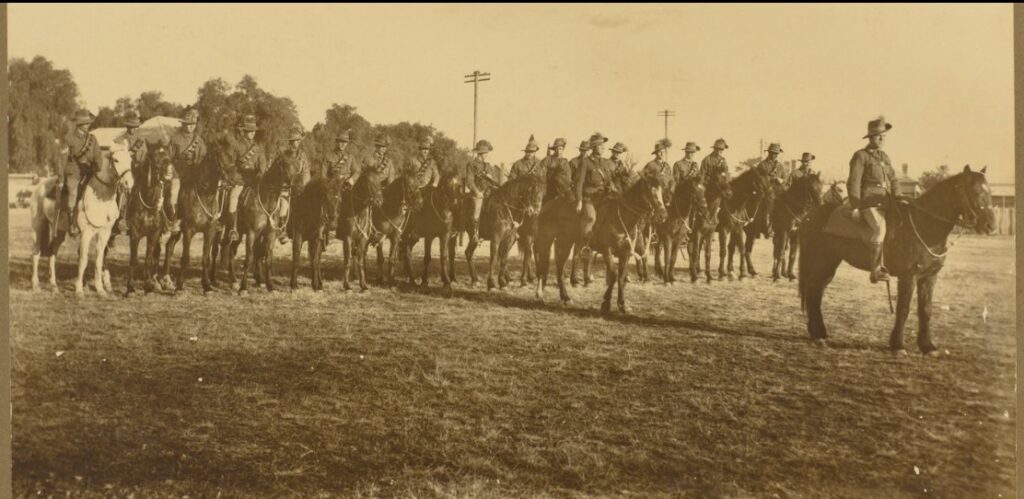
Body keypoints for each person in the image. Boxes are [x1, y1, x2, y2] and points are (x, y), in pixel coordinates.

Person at [848, 117, 900, 283]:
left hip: (887, 202)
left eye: (884, 136)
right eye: (878, 136)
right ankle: (875, 269)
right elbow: (854, 182)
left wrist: (899, 198)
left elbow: (894, 180)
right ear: (870, 137)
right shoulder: (861, 156)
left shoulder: (884, 157)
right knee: (879, 227)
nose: (882, 139)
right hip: (869, 202)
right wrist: (855, 207)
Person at [218, 114, 268, 242]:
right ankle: (233, 228)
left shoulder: (258, 147)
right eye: (249, 132)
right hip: (240, 179)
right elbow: (230, 162)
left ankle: (270, 226)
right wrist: (234, 175)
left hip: (255, 180)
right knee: (233, 197)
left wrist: (261, 172)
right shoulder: (236, 145)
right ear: (244, 132)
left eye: (253, 132)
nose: (251, 134)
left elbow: (262, 161)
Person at [61, 109, 103, 237]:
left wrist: (98, 166)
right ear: (79, 124)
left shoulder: (92, 139)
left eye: (88, 123)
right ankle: (72, 223)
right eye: (85, 123)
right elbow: (63, 159)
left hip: (90, 172)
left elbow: (98, 156)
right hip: (74, 173)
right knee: (73, 193)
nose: (88, 125)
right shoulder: (68, 138)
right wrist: (62, 175)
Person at [167, 108, 206, 233]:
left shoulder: (199, 140)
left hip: (194, 173)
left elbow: (203, 156)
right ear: (184, 124)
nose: (190, 127)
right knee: (174, 193)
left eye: (193, 125)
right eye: (188, 124)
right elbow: (169, 157)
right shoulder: (175, 138)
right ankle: (174, 219)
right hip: (178, 172)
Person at [465, 139, 499, 242]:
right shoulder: (471, 165)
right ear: (480, 153)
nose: (487, 155)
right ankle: (475, 233)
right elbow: (469, 181)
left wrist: (491, 179)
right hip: (478, 193)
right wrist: (477, 192)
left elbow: (495, 181)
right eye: (485, 153)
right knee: (477, 207)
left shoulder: (488, 166)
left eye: (487, 153)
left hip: (490, 193)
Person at [541, 138, 572, 203]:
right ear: (554, 149)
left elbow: (568, 177)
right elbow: (541, 174)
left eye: (560, 149)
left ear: (563, 149)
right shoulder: (547, 160)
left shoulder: (565, 162)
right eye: (556, 149)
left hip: (563, 190)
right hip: (549, 189)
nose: (558, 151)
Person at [642, 140, 673, 205]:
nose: (662, 154)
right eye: (660, 152)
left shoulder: (667, 166)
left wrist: (671, 190)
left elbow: (671, 179)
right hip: (656, 194)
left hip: (667, 194)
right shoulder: (650, 164)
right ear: (656, 153)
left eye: (663, 152)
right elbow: (643, 176)